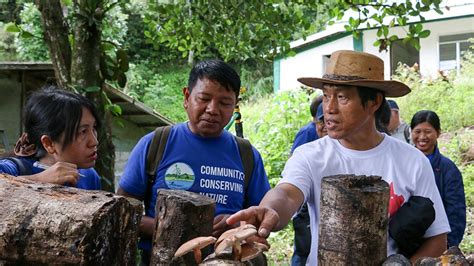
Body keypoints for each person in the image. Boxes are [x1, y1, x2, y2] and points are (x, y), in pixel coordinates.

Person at [227, 50, 450, 265]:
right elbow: (287, 193)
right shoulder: (310, 156)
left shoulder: (412, 161)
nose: (329, 108)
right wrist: (270, 210)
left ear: (374, 102)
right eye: (326, 96)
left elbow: (437, 239)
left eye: (342, 97)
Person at [117, 59, 271, 264]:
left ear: (235, 105)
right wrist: (177, 231)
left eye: (224, 103)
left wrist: (236, 225)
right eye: (204, 98)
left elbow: (261, 219)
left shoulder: (247, 155)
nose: (212, 109)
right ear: (187, 97)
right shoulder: (156, 144)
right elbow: (123, 213)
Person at [0, 86, 101, 190]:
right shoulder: (11, 168)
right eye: (83, 132)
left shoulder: (89, 177)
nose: (94, 142)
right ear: (48, 143)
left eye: (94, 128)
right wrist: (38, 179)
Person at [410, 110, 466, 248]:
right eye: (417, 131)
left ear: (438, 133)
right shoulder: (402, 162)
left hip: (436, 242)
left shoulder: (448, 168)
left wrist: (448, 245)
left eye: (428, 131)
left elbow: (456, 211)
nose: (422, 137)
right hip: (406, 241)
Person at [290, 97, 324, 266]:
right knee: (303, 249)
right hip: (305, 203)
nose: (326, 125)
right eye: (322, 121)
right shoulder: (307, 133)